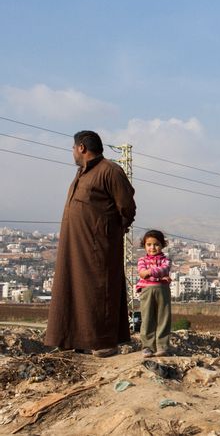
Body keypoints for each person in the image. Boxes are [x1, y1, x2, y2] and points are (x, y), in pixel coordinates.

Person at [45, 130, 136, 357]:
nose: (72, 152)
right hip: (74, 246)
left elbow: (127, 208)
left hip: (98, 247)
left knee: (98, 290)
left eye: (73, 148)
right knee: (72, 288)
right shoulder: (82, 173)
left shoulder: (110, 171)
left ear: (82, 148)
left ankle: (103, 342)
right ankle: (72, 339)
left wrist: (107, 232)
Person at [136, 230, 172, 358]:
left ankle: (162, 346)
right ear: (144, 246)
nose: (152, 247)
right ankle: (148, 347)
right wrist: (159, 276)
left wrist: (150, 272)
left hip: (163, 291)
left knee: (163, 318)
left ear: (162, 245)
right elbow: (142, 273)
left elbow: (164, 269)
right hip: (147, 291)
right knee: (147, 319)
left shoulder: (166, 260)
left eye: (156, 244)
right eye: (149, 244)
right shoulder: (141, 260)